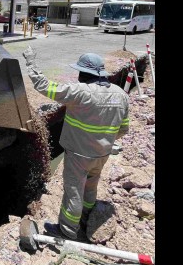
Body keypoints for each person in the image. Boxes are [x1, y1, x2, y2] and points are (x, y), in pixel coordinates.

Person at [22, 47, 130, 241]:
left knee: (73, 192)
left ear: (84, 73)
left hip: (79, 155)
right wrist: (103, 140)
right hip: (102, 154)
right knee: (90, 187)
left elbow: (45, 86)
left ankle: (67, 230)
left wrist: (31, 63)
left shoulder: (81, 92)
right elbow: (123, 129)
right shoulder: (121, 95)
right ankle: (86, 217)